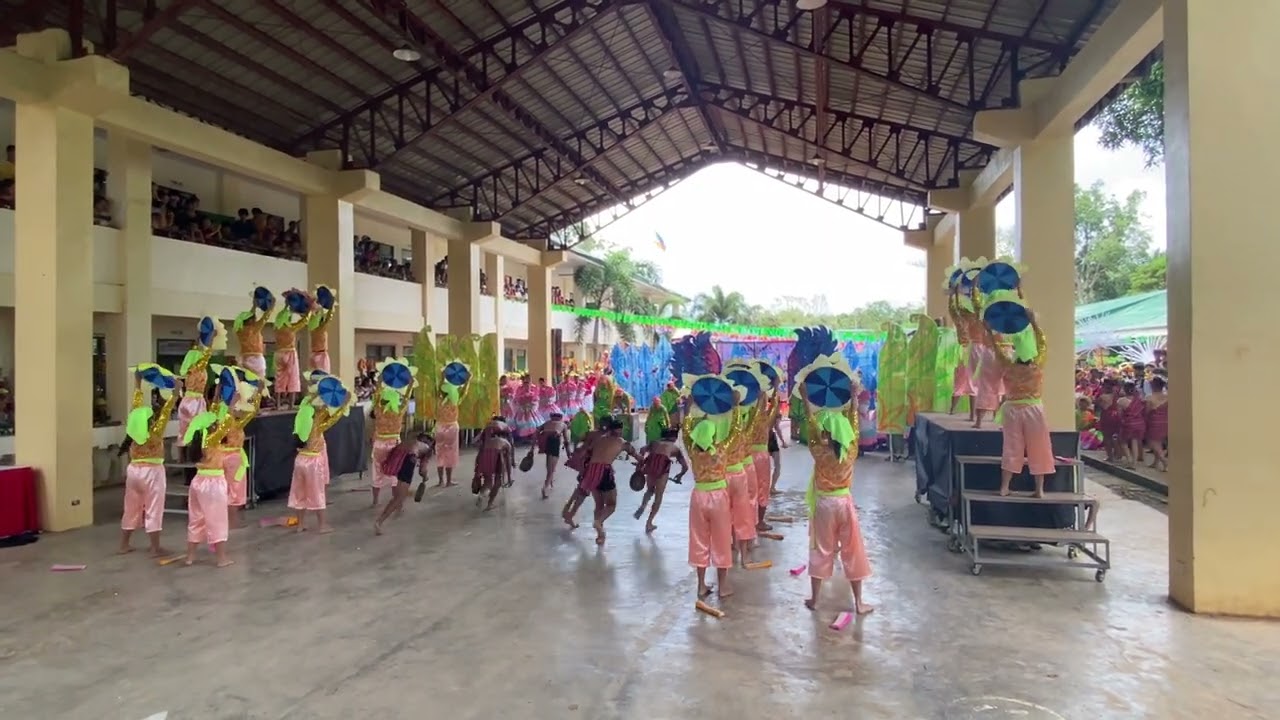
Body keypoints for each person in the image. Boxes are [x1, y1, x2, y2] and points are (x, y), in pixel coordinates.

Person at [797, 376, 874, 615]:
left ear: (826, 434)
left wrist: (807, 399)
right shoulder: (851, 450)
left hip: (823, 503)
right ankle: (859, 602)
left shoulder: (819, 451)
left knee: (821, 549)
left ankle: (815, 599)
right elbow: (853, 423)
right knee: (853, 549)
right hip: (844, 502)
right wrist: (852, 396)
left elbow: (811, 425)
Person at [981, 308, 1053, 498]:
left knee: (1012, 448)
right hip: (1034, 409)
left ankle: (1004, 487)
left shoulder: (1007, 365)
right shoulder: (1037, 364)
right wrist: (1034, 323)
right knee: (1039, 447)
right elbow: (1042, 343)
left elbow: (996, 348)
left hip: (1012, 409)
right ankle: (1040, 490)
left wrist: (989, 330)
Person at [119, 367, 181, 557]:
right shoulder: (155, 433)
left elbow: (136, 405)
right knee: (154, 507)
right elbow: (168, 408)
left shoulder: (134, 430)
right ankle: (154, 548)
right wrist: (177, 391)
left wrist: (137, 382)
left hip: (133, 471)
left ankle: (124, 544)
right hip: (152, 472)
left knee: (131, 507)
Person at [683, 406, 742, 599]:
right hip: (718, 497)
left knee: (699, 539)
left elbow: (685, 431)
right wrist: (735, 407)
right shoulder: (721, 451)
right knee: (722, 539)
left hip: (699, 496)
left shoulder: (693, 452)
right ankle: (723, 586)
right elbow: (736, 430)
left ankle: (701, 585)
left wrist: (689, 409)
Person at [288, 372, 355, 533]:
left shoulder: (303, 411)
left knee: (300, 492)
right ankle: (322, 525)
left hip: (300, 459)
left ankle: (300, 524)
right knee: (317, 492)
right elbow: (334, 417)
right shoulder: (317, 419)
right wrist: (344, 403)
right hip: (313, 461)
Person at [578, 417, 640, 545]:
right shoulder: (623, 442)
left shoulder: (599, 440)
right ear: (621, 430)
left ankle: (600, 535)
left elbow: (586, 455)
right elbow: (639, 457)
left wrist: (582, 472)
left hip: (591, 470)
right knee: (611, 505)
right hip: (604, 471)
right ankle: (598, 522)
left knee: (599, 504)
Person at [221, 368, 265, 529]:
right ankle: (232, 523)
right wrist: (258, 392)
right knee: (233, 490)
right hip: (233, 458)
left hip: (224, 456)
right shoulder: (233, 422)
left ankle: (229, 521)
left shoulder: (224, 419)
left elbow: (250, 411)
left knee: (227, 489)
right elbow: (252, 411)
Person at [369, 359, 416, 506]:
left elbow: (376, 395)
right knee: (396, 474)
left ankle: (375, 501)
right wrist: (409, 384)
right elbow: (407, 398)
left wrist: (380, 381)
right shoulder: (400, 411)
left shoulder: (378, 410)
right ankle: (398, 502)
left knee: (377, 473)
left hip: (379, 443)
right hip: (395, 444)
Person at [176, 317, 224, 459]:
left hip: (197, 399)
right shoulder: (196, 363)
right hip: (192, 401)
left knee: (195, 431)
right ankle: (186, 462)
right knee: (189, 431)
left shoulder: (199, 365)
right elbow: (204, 358)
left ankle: (193, 459)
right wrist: (210, 343)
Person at [374, 432, 434, 535]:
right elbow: (422, 469)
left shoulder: (409, 441)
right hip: (408, 460)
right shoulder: (428, 450)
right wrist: (425, 478)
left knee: (400, 494)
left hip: (398, 458)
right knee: (399, 497)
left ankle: (399, 507)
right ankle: (380, 521)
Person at [633, 428, 688, 533]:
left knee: (649, 490)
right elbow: (685, 467)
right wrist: (680, 476)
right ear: (674, 438)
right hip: (662, 468)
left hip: (651, 464)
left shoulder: (654, 443)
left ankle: (642, 505)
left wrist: (640, 465)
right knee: (658, 496)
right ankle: (649, 523)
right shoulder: (675, 448)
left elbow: (642, 450)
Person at [433, 362, 471, 487]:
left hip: (439, 426)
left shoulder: (438, 400)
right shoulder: (455, 400)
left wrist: (442, 377)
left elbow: (439, 389)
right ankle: (448, 481)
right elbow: (464, 391)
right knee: (450, 454)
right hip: (452, 427)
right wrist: (467, 380)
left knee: (440, 453)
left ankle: (440, 481)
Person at [233, 287, 273, 381]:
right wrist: (272, 305)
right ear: (250, 320)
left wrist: (254, 306)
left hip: (243, 359)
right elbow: (265, 317)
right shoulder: (254, 329)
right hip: (256, 360)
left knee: (245, 387)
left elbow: (249, 316)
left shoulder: (239, 330)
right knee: (258, 385)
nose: (255, 319)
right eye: (254, 318)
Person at [473, 425, 513, 511]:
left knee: (488, 482)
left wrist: (477, 469)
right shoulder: (506, 443)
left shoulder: (487, 442)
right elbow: (508, 462)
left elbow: (479, 455)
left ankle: (482, 495)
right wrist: (509, 478)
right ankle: (489, 504)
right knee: (498, 482)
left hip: (485, 456)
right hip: (498, 457)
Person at [531, 412, 570, 499]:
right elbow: (566, 442)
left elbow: (536, 433)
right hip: (553, 442)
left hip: (544, 443)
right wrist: (569, 455)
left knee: (549, 463)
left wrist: (532, 449)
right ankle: (545, 488)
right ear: (560, 418)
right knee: (551, 470)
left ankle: (551, 482)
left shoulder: (547, 423)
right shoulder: (563, 424)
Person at [308, 285, 338, 373]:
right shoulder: (321, 328)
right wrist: (331, 307)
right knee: (323, 378)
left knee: (314, 378)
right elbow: (328, 317)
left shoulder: (313, 328)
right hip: (321, 354)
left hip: (313, 354)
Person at [1117, 380, 1147, 468]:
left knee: (1123, 441)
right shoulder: (1139, 400)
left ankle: (1129, 459)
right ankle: (1134, 463)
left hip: (1128, 423)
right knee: (1134, 441)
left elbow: (1119, 415)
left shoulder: (1121, 401)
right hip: (1140, 423)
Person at [1144, 376, 1168, 471]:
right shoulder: (1167, 396)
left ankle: (1164, 460)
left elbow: (1147, 411)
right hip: (1165, 420)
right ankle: (1156, 462)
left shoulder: (1150, 398)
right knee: (1159, 441)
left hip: (1154, 421)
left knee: (1153, 442)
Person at [512, 375, 540, 442]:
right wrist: (520, 403)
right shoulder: (519, 388)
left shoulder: (534, 387)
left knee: (532, 422)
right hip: (522, 408)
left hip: (531, 408)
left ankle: (532, 437)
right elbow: (516, 397)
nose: (527, 381)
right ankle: (523, 437)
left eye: (529, 379)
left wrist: (531, 404)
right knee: (520, 422)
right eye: (526, 380)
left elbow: (536, 398)